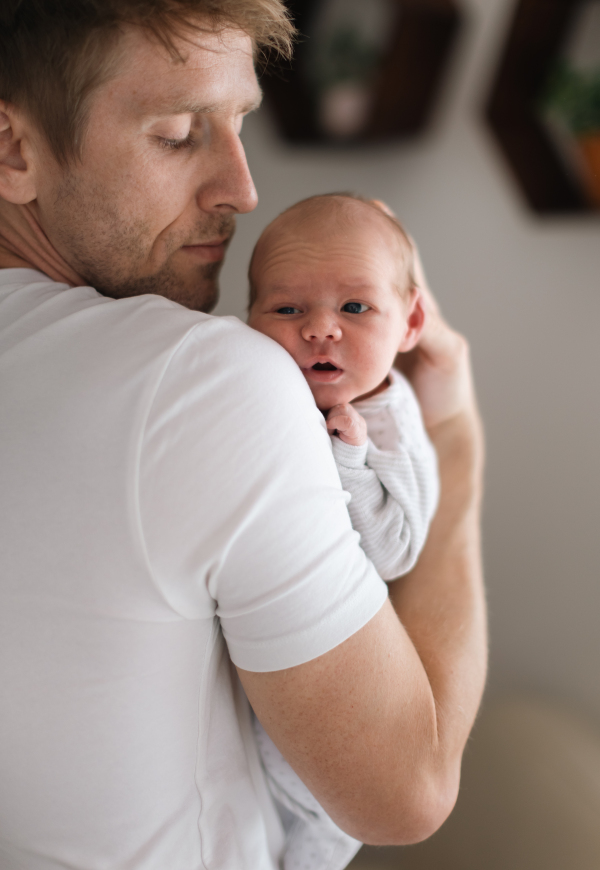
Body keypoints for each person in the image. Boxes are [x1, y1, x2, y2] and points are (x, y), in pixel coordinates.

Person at [0, 3, 487, 870]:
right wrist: (453, 439)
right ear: (12, 148)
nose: (244, 188)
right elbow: (407, 790)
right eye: (180, 133)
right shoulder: (201, 378)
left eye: (242, 123)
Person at [247, 192, 440, 870]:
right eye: (287, 308)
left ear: (410, 322)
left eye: (355, 307)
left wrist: (352, 463)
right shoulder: (260, 384)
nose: (320, 328)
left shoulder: (389, 420)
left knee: (316, 837)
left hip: (342, 709)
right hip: (251, 691)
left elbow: (396, 551)